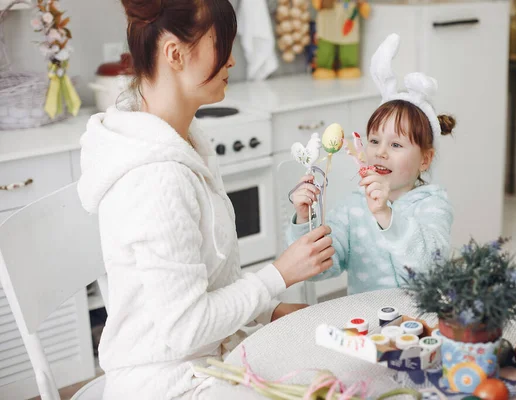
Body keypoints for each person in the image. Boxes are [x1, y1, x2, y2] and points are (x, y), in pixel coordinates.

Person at [76, 0, 334, 398]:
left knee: (333, 366)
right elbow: (186, 329)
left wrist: (271, 310)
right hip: (166, 383)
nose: (232, 60)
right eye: (222, 44)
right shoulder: (156, 177)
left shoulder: (184, 138)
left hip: (213, 357)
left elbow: (209, 283)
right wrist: (277, 276)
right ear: (175, 55)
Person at [288, 33, 454, 295]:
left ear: (425, 159)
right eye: (374, 141)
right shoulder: (352, 207)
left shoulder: (433, 205)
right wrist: (304, 217)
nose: (381, 152)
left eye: (396, 145)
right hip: (367, 325)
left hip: (421, 323)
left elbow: (429, 267)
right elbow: (321, 268)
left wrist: (386, 215)